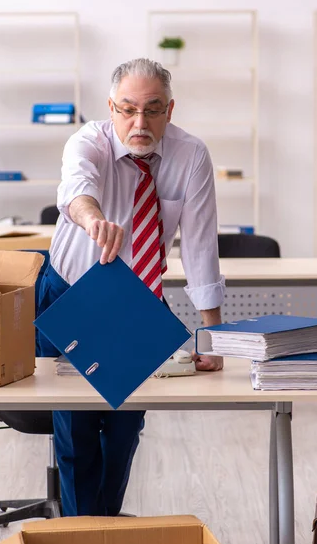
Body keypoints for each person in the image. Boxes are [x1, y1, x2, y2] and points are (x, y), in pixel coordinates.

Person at [37, 57, 226, 517]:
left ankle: (103, 529)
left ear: (170, 109)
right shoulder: (88, 141)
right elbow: (75, 190)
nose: (139, 123)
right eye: (127, 110)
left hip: (139, 300)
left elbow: (200, 243)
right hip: (71, 291)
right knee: (77, 428)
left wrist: (211, 334)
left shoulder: (191, 155)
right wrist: (93, 218)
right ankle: (85, 536)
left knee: (125, 428)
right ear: (111, 107)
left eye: (153, 109)